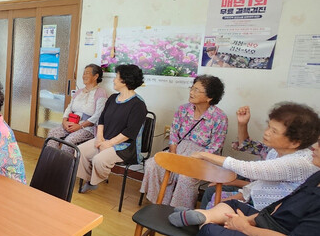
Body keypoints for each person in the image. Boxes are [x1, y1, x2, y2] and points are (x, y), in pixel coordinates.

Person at [168, 136, 320, 236]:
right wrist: (251, 220)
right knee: (233, 204)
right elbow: (277, 206)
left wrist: (245, 228)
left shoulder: (301, 163)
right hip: (273, 225)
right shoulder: (316, 176)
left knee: (211, 231)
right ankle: (204, 215)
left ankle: (203, 218)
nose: (314, 146)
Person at [193, 102, 320, 210]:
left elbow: (247, 168)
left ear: (295, 142)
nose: (266, 132)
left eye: (274, 131)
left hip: (270, 213)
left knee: (216, 209)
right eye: (268, 127)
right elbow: (259, 183)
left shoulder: (299, 162)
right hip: (254, 196)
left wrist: (204, 155)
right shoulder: (274, 151)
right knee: (214, 200)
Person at [142, 75, 228, 208]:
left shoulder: (219, 117)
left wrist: (197, 158)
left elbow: (216, 146)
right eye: (192, 88)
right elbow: (173, 133)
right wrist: (173, 153)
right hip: (179, 149)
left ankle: (179, 210)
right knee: (152, 165)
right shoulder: (183, 110)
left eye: (196, 90)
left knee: (185, 177)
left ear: (209, 97)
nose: (191, 92)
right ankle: (159, 203)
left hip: (202, 156)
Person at [77, 64, 147, 192]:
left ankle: (94, 181)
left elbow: (130, 132)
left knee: (99, 159)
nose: (114, 80)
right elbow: (102, 119)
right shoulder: (113, 98)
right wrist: (99, 138)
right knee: (80, 151)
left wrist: (109, 144)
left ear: (125, 81)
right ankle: (90, 179)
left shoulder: (138, 105)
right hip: (104, 138)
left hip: (125, 146)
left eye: (116, 77)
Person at [46, 63, 109, 148]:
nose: (84, 76)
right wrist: (64, 121)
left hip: (87, 128)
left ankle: (66, 157)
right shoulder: (79, 92)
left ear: (95, 76)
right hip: (72, 123)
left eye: (87, 73)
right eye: (84, 73)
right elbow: (69, 107)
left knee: (69, 140)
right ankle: (51, 156)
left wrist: (80, 126)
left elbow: (98, 115)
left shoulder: (101, 93)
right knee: (53, 133)